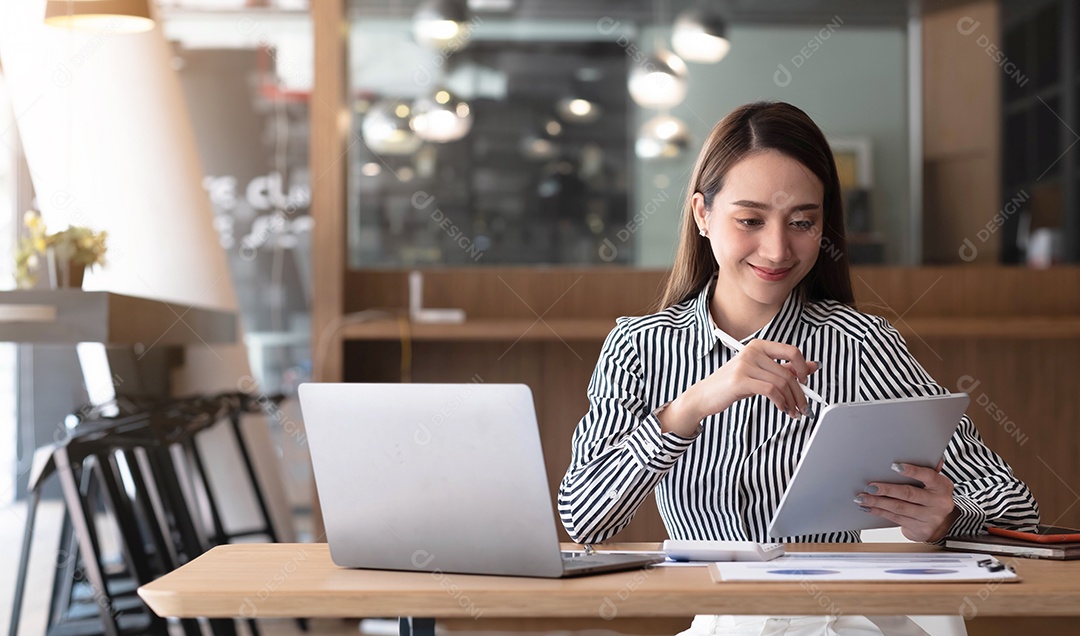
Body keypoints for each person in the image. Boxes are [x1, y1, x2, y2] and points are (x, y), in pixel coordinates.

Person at [557, 101, 1039, 635]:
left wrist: (950, 517)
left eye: (803, 222)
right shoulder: (639, 347)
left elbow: (1016, 507)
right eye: (750, 220)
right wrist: (691, 406)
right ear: (702, 215)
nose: (777, 248)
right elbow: (585, 521)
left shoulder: (859, 345)